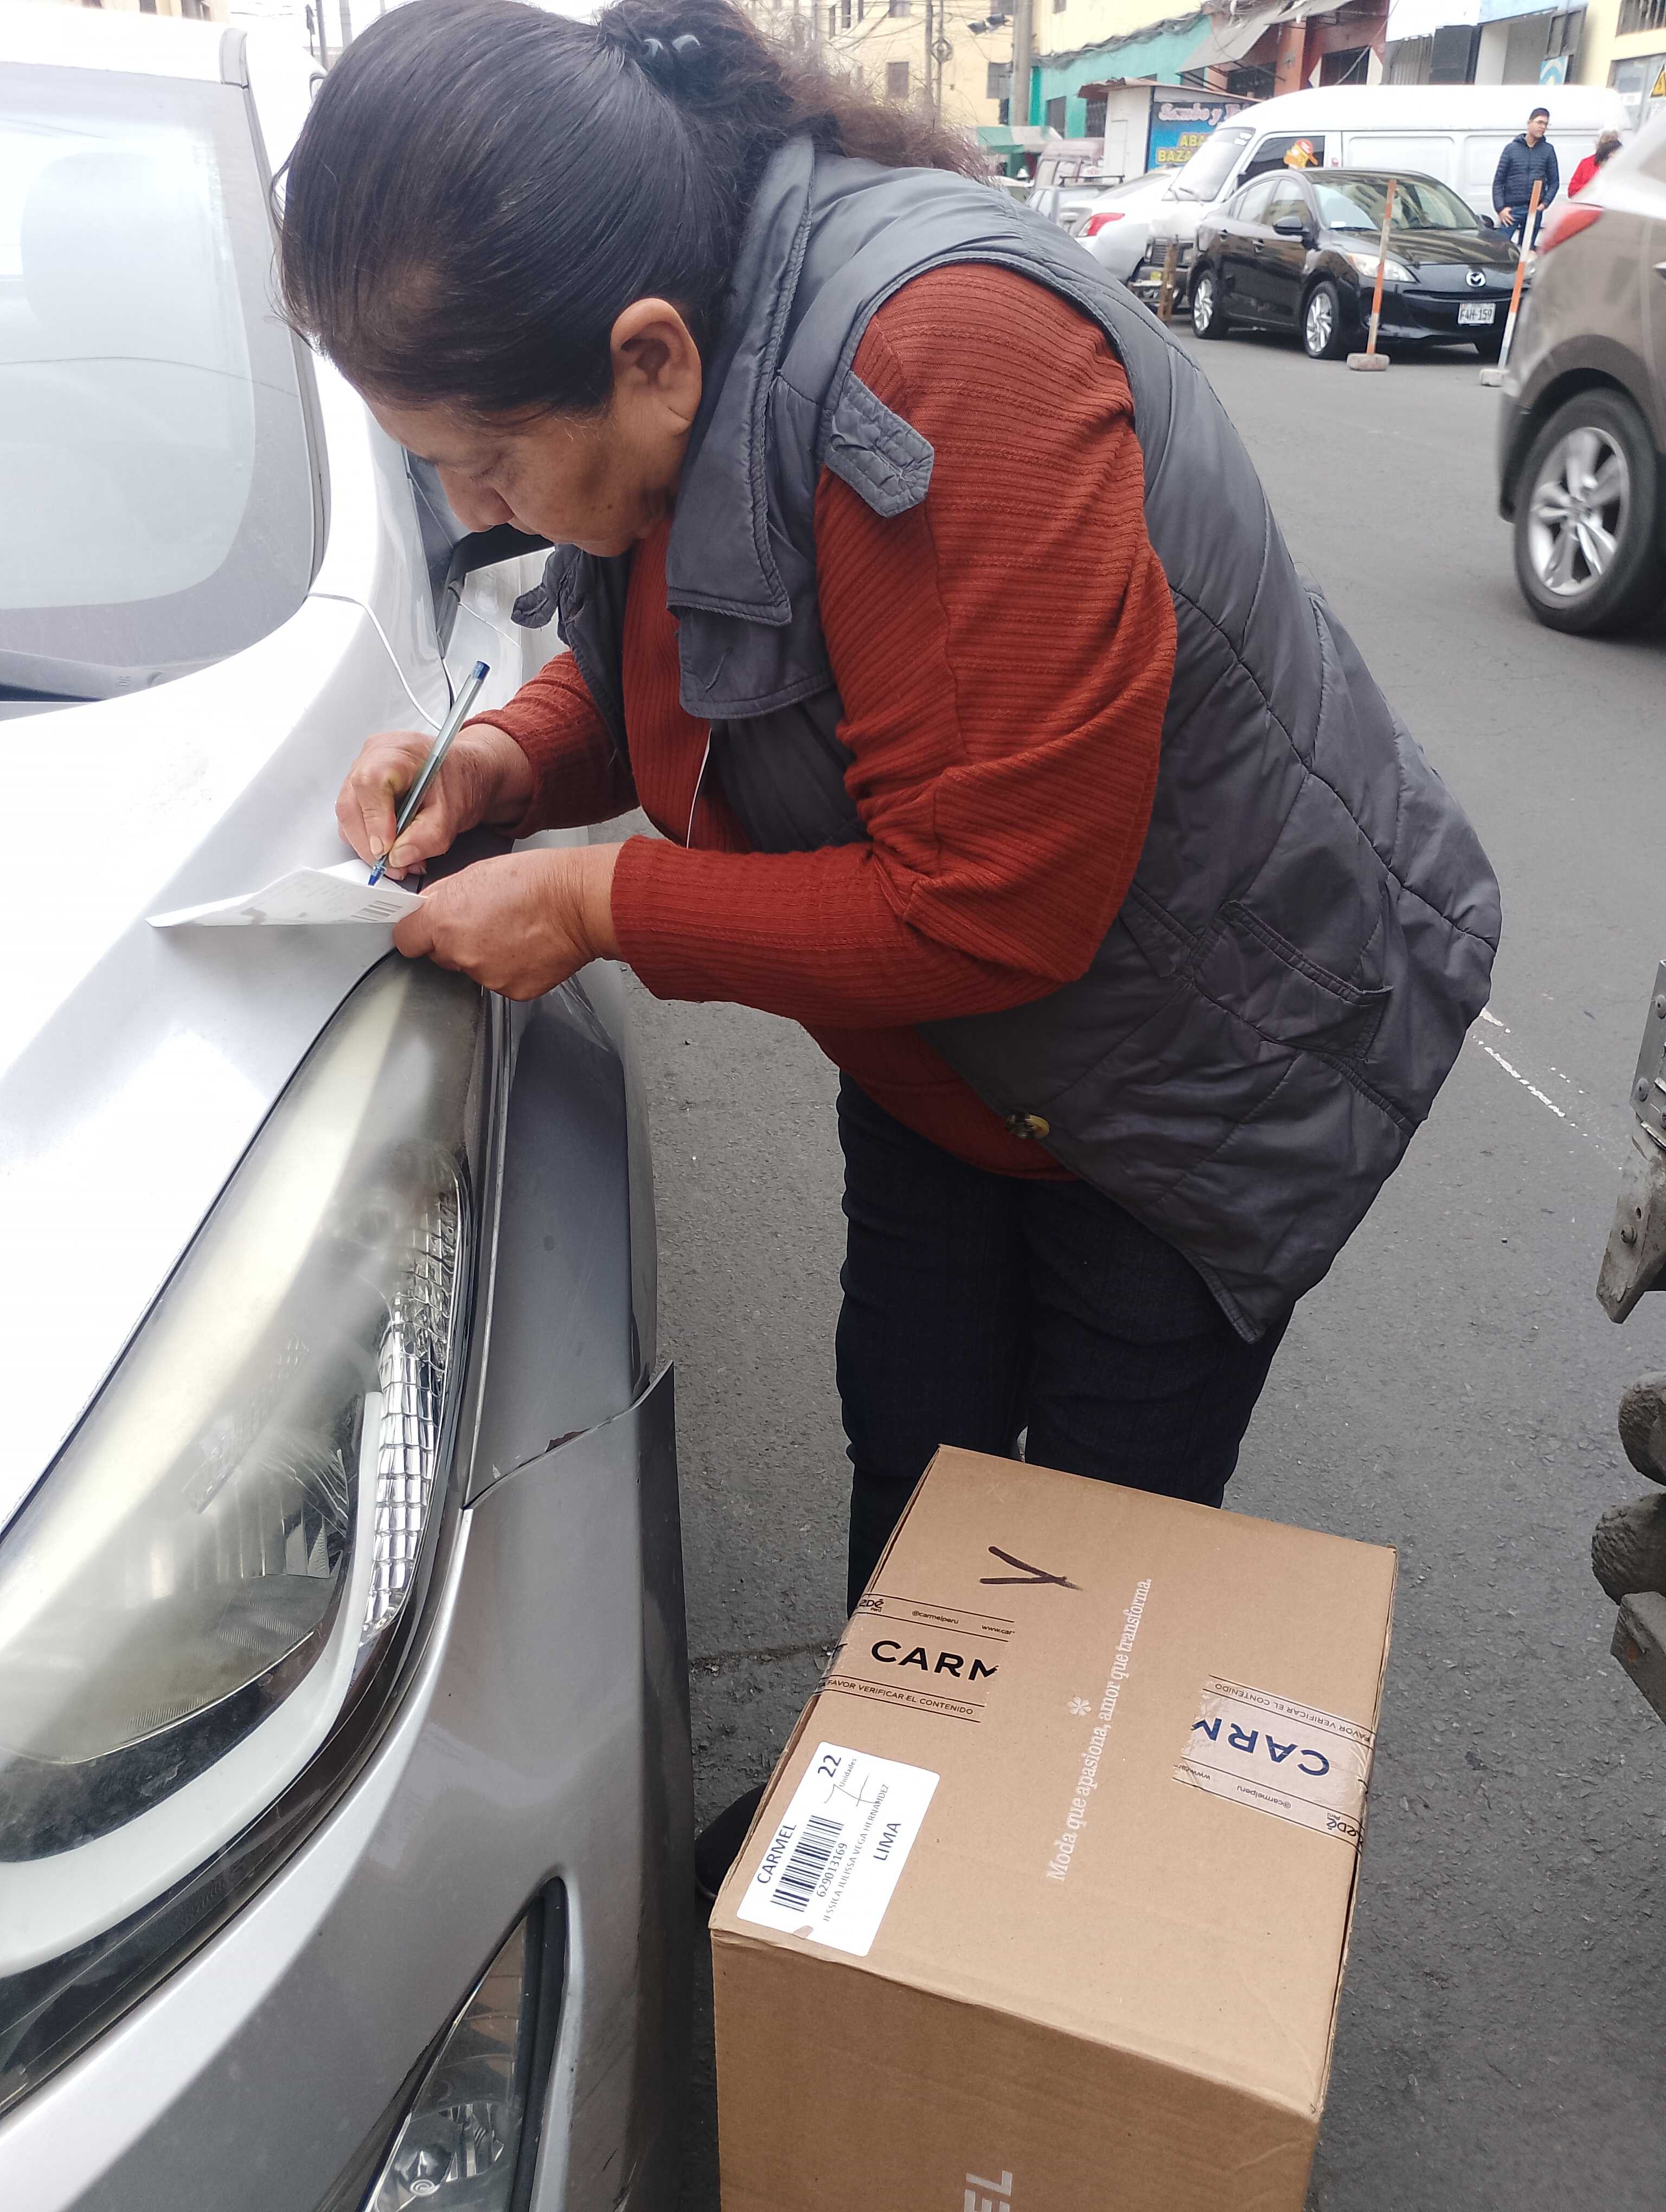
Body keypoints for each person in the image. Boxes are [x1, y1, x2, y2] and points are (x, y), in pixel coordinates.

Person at [279, 0, 1499, 1892]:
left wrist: (597, 903)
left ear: (648, 358)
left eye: (489, 463)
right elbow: (669, 655)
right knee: (919, 1465)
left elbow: (997, 901)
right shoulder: (677, 348)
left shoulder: (947, 368)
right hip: (954, 1068)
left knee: (1084, 1558)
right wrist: (508, 760)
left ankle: (1007, 1944)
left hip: (1191, 1074)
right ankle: (879, 1854)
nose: (470, 514)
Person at [1494, 106, 1560, 244]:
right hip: (1511, 210)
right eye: (1540, 122)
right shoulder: (1511, 149)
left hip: (1534, 209)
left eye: (1546, 124)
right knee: (1500, 247)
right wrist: (1500, 209)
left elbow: (1554, 182)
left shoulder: (1548, 150)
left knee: (1527, 249)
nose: (1543, 127)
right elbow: (1498, 182)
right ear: (1529, 123)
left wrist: (1544, 205)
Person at [1568, 128, 1622, 197]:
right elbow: (1572, 191)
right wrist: (1592, 188)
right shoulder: (1586, 163)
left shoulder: (1623, 165)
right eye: (1605, 143)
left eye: (1612, 143)